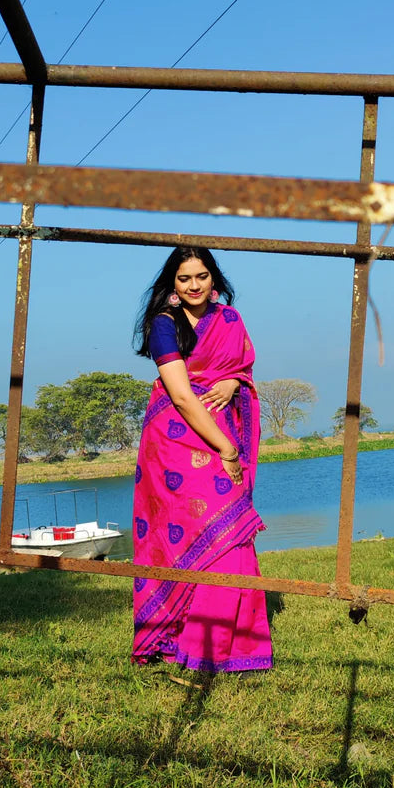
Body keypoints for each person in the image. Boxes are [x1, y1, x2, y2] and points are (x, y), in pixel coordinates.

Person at [130, 245, 272, 674]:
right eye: (184, 278)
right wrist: (227, 450)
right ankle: (175, 635)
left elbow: (239, 366)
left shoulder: (229, 319)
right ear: (171, 285)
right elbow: (181, 394)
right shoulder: (163, 325)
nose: (194, 286)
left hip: (224, 425)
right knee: (186, 533)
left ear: (214, 279)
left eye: (202, 276)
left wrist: (231, 380)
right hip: (175, 441)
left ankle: (229, 647)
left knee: (232, 533)